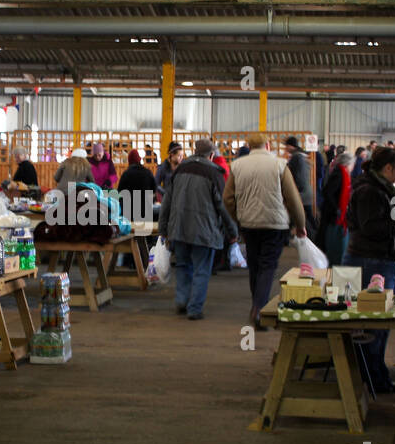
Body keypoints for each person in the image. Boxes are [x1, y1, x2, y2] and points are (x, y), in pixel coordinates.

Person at [345, 146, 395, 393]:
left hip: (386, 261)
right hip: (372, 262)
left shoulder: (386, 189)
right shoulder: (368, 191)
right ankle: (370, 378)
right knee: (373, 324)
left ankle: (377, 375)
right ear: (388, 168)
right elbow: (372, 228)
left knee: (382, 323)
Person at [223, 134, 307, 331]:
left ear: (249, 146)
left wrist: (239, 217)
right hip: (275, 224)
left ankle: (256, 305)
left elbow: (227, 199)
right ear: (268, 145)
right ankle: (259, 308)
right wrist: (300, 223)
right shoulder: (279, 165)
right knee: (268, 266)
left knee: (254, 264)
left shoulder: (237, 166)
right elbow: (293, 198)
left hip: (249, 225)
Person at [158, 139, 237, 320]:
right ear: (211, 155)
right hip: (205, 231)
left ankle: (181, 301)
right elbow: (222, 207)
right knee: (202, 269)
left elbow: (166, 202)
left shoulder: (180, 170)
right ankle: (194, 309)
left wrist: (163, 228)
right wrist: (232, 232)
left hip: (179, 228)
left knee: (183, 266)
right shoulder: (214, 174)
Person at [320, 151, 353, 264]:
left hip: (337, 215)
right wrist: (336, 209)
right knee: (336, 247)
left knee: (338, 246)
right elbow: (328, 192)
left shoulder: (340, 172)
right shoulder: (339, 174)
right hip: (334, 216)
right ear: (348, 164)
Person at [283, 136, 319, 239]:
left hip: (301, 193)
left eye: (286, 146)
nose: (285, 148)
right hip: (305, 192)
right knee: (305, 216)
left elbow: (299, 177)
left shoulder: (297, 157)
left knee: (297, 216)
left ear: (291, 146)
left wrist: (295, 190)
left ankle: (313, 237)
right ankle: (315, 236)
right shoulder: (301, 156)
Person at [117, 148, 158, 222]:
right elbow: (154, 189)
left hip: (129, 213)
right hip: (145, 211)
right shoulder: (147, 173)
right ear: (139, 160)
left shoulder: (126, 174)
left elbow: (119, 193)